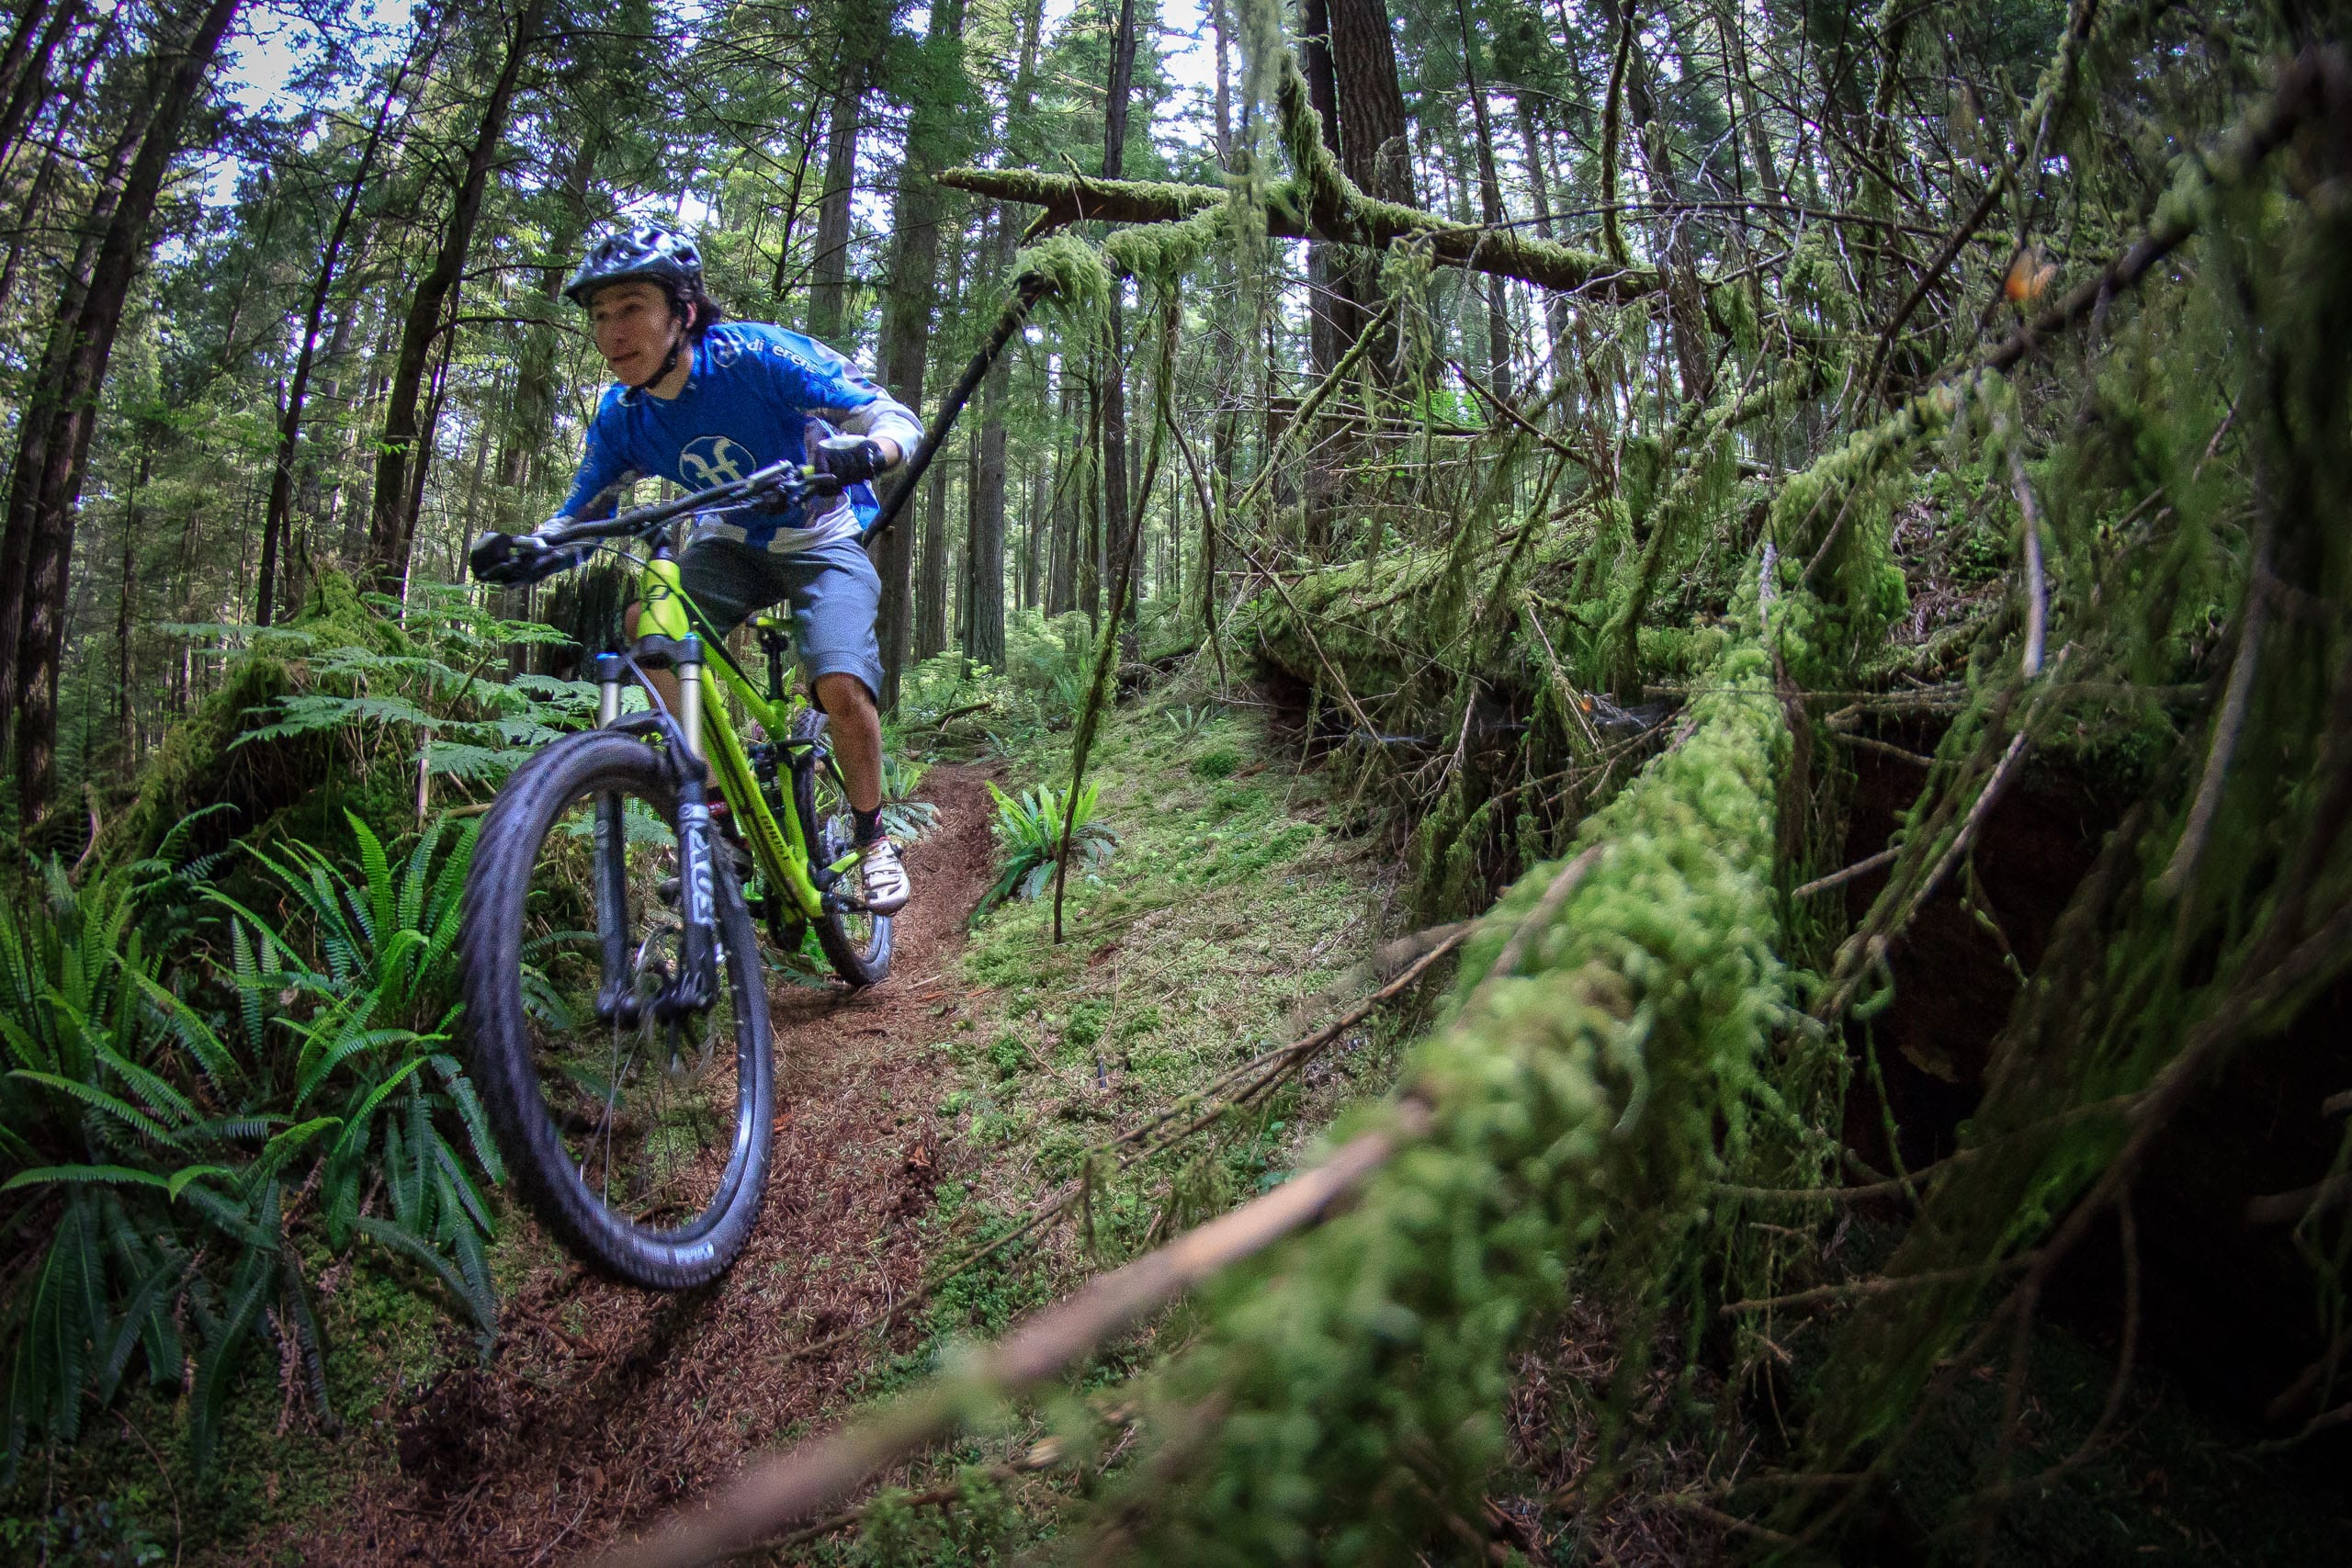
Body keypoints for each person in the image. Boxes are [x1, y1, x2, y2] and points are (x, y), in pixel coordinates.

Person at [537, 222, 921, 915]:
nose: (612, 332)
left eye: (631, 308)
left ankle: (872, 838)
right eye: (599, 316)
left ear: (682, 312)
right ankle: (716, 820)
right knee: (644, 624)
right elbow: (581, 518)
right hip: (731, 543)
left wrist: (874, 451)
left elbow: (887, 412)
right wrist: (530, 549)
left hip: (821, 537)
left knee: (837, 679)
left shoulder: (755, 356)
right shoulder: (622, 418)